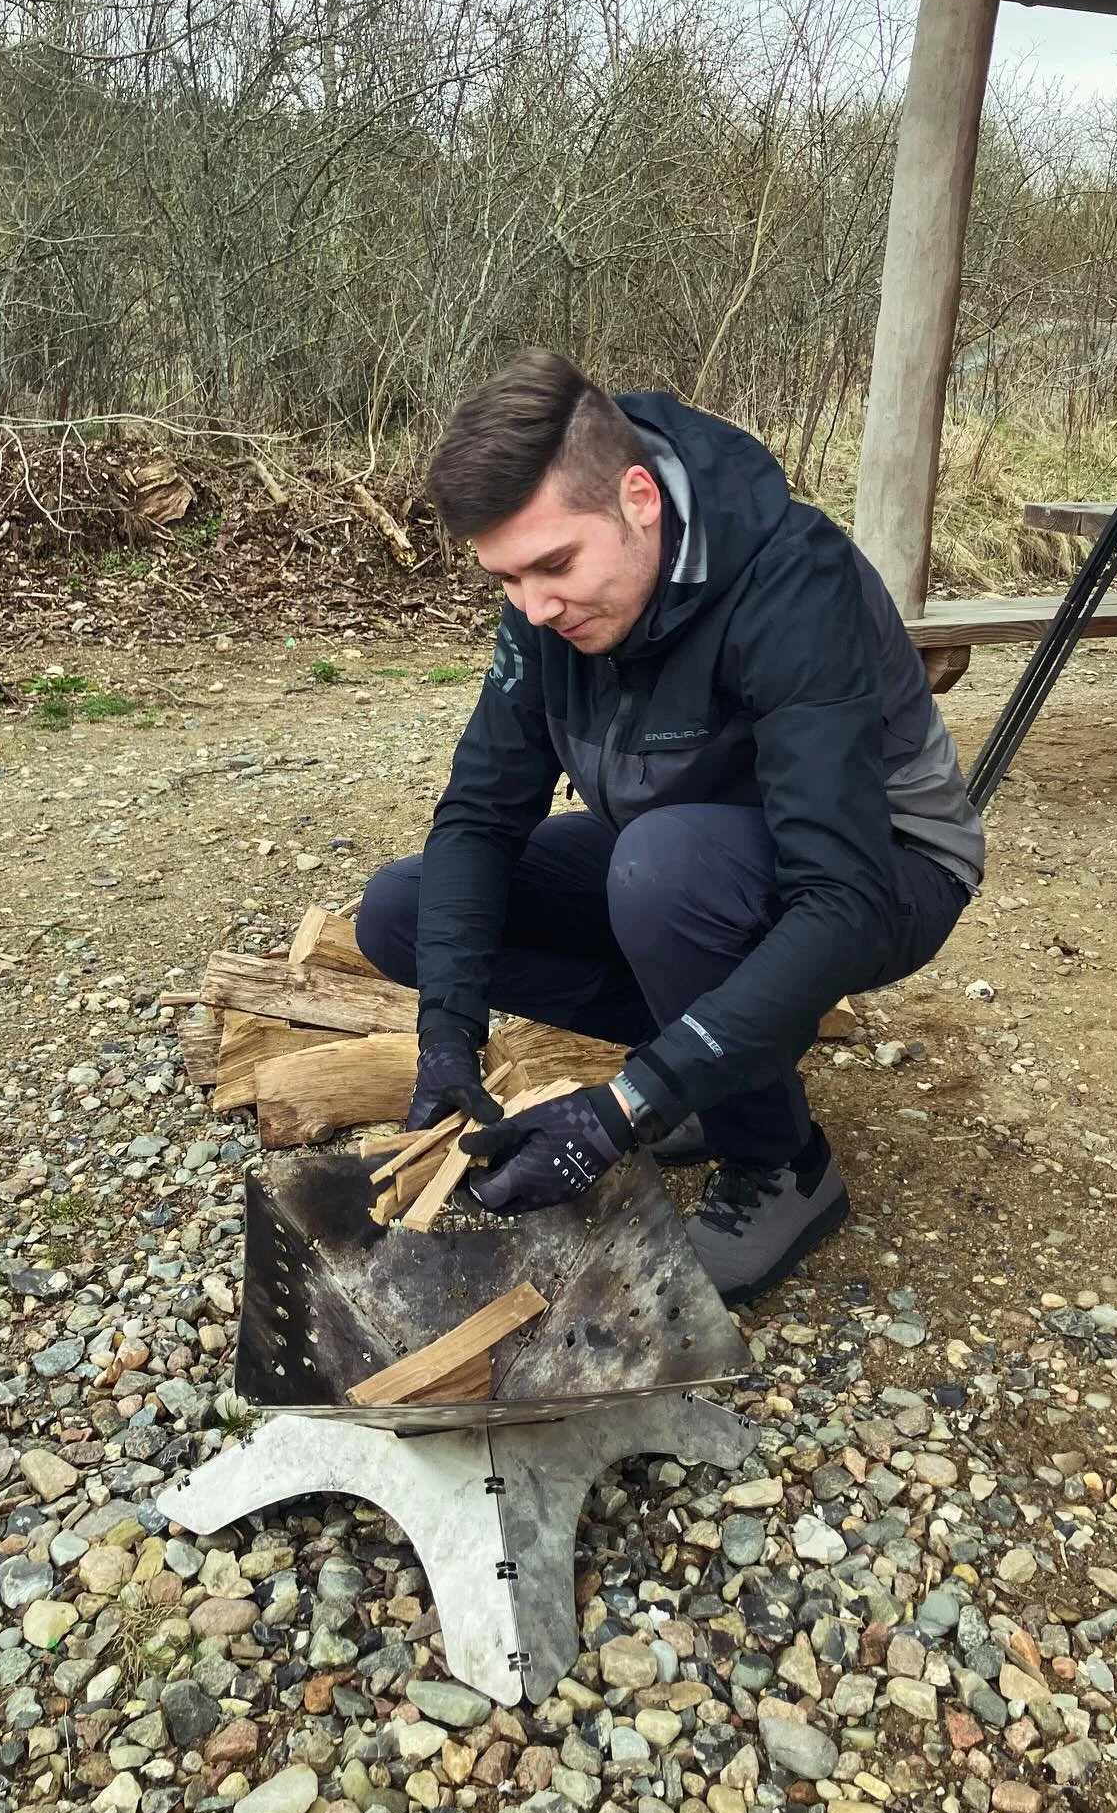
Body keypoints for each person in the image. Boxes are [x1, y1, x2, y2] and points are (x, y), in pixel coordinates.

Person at [356, 351, 983, 1307]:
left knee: (664, 872)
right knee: (402, 913)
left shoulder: (791, 585)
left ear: (638, 499)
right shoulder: (544, 612)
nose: (535, 608)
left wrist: (619, 1111)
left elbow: (842, 895)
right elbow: (480, 817)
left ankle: (784, 1166)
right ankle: (709, 1068)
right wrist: (449, 1033)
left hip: (884, 864)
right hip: (689, 852)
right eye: (508, 579)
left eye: (555, 566)